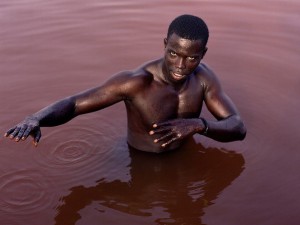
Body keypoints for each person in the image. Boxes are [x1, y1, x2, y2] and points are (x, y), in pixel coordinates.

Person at [4, 14, 246, 153]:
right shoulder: (136, 82)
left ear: (203, 54)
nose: (181, 65)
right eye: (173, 54)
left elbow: (238, 127)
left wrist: (198, 124)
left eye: (192, 58)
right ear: (165, 45)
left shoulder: (205, 78)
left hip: (182, 160)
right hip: (140, 160)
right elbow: (76, 104)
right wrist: (36, 118)